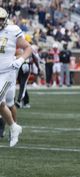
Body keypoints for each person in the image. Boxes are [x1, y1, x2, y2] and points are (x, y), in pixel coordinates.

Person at [0, 7, 30, 146]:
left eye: (1, 19)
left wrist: (20, 59)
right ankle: (14, 127)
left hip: (7, 73)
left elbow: (29, 48)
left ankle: (13, 126)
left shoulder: (12, 30)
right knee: (3, 104)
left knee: (6, 102)